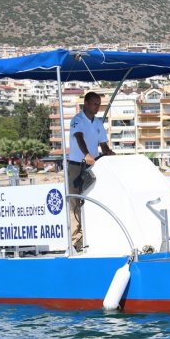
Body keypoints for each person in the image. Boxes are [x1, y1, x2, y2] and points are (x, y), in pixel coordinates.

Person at [68, 92, 115, 250]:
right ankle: (76, 241)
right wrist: (86, 154)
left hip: (93, 166)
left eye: (99, 104)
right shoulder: (77, 120)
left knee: (93, 198)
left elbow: (104, 145)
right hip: (76, 165)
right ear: (86, 103)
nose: (97, 107)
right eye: (95, 103)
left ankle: (95, 235)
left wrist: (109, 153)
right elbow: (79, 138)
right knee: (75, 202)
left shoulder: (98, 123)